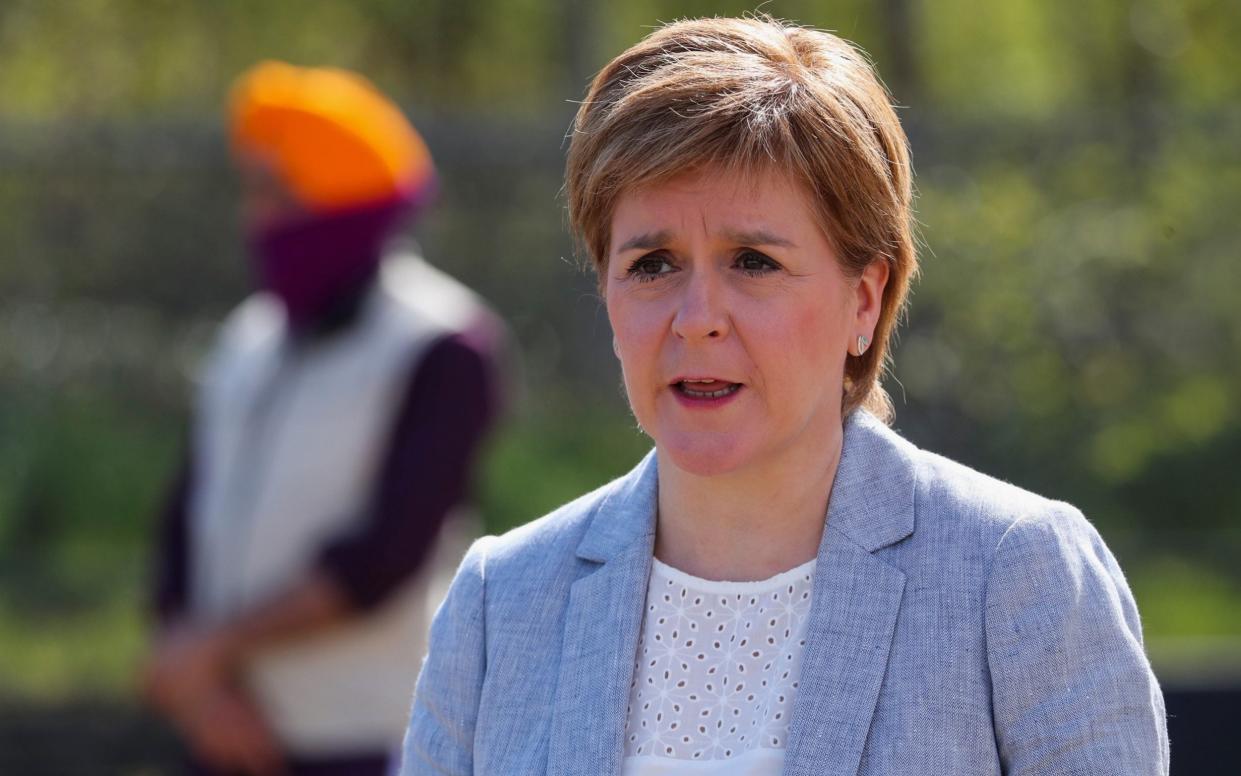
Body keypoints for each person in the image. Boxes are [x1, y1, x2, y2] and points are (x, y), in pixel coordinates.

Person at [401, 16, 1169, 776]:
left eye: (753, 261)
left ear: (864, 301)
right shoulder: (500, 602)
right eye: (651, 265)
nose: (697, 319)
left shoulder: (1012, 572)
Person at [143, 61, 504, 776]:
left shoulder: (444, 345)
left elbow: (384, 556)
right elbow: (186, 518)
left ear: (341, 206)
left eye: (276, 196)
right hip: (224, 734)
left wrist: (211, 650)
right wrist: (199, 687)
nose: (256, 219)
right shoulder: (247, 338)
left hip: (364, 735)